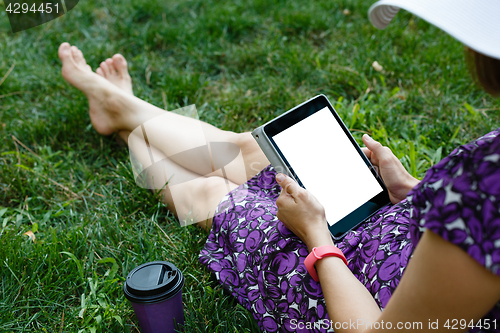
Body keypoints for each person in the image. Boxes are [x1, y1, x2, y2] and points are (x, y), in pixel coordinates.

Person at [57, 0, 500, 331]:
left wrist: (317, 237)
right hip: (385, 218)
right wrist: (412, 190)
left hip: (349, 285)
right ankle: (124, 109)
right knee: (253, 153)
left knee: (209, 194)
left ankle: (120, 120)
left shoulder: (487, 194)